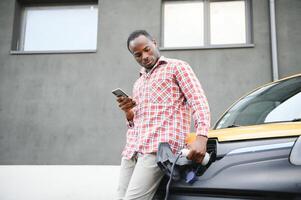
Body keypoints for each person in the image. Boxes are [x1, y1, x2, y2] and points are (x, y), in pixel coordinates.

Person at [116, 30, 210, 200]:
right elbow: (136, 121)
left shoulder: (177, 67)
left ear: (154, 43)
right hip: (132, 150)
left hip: (157, 149)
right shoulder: (138, 82)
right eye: (137, 55)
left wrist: (201, 137)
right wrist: (129, 112)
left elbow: (198, 101)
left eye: (147, 49)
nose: (144, 56)